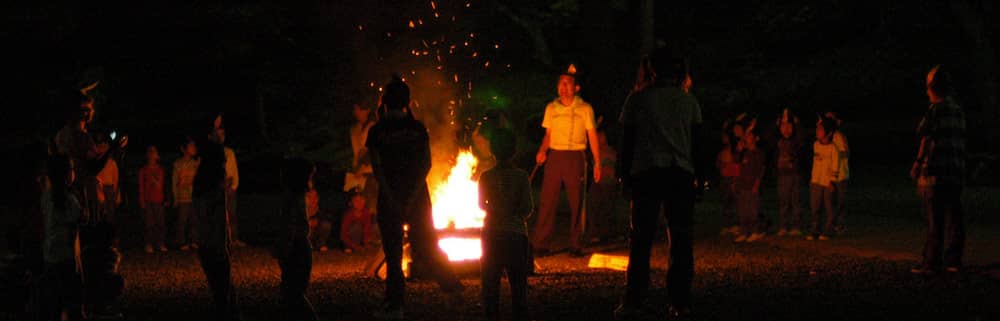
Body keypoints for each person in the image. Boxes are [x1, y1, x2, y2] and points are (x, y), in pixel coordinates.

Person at [367, 76, 464, 320]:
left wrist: (392, 198)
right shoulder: (417, 129)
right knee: (427, 246)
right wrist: (412, 197)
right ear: (407, 102)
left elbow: (378, 169)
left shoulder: (377, 131)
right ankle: (452, 288)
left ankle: (395, 305)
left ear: (384, 101)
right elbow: (425, 165)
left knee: (393, 253)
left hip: (390, 198)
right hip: (418, 198)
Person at [615, 50, 702, 320]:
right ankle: (680, 302)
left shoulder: (638, 100)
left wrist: (624, 176)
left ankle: (634, 300)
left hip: (647, 173)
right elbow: (697, 142)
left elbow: (627, 142)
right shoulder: (687, 101)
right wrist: (700, 176)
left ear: (651, 71)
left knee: (641, 240)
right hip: (680, 173)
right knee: (681, 239)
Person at [53, 91, 125, 320]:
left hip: (68, 194)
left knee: (74, 250)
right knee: (92, 250)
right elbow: (93, 167)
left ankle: (75, 302)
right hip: (84, 197)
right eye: (87, 108)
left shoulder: (61, 134)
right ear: (81, 112)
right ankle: (93, 301)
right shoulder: (81, 137)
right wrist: (112, 150)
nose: (91, 112)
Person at [533, 64, 602, 257]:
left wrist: (597, 162)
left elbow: (592, 135)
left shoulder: (585, 109)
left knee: (576, 201)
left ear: (576, 88)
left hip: (575, 156)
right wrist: (542, 151)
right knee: (547, 199)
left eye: (567, 83)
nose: (563, 87)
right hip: (555, 155)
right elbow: (548, 134)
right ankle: (541, 243)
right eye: (560, 83)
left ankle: (576, 243)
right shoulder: (551, 108)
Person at [910, 65, 966, 274]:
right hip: (955, 171)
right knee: (954, 216)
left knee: (934, 218)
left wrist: (918, 163)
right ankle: (953, 260)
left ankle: (931, 261)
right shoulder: (958, 109)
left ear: (933, 88)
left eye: (927, 86)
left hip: (936, 171)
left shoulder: (935, 110)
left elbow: (926, 137)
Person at [478, 128, 533, 321]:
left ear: (492, 151)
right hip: (515, 235)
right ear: (514, 151)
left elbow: (481, 204)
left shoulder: (485, 177)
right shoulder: (521, 177)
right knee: (518, 285)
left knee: (490, 285)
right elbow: (527, 208)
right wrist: (513, 212)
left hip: (492, 234)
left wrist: (496, 210)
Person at [193, 113, 242, 321]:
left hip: (208, 243)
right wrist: (222, 245)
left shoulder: (202, 185)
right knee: (222, 288)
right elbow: (217, 219)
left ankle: (228, 312)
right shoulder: (212, 188)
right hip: (214, 244)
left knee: (221, 288)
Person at [273, 157, 321, 321]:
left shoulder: (292, 198)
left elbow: (290, 226)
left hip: (296, 248)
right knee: (293, 292)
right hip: (300, 247)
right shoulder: (297, 197)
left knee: (292, 293)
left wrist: (283, 247)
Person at [39, 155, 83, 321]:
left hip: (50, 256)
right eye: (72, 169)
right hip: (67, 258)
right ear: (66, 174)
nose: (74, 172)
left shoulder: (46, 197)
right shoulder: (70, 200)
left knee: (54, 303)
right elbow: (76, 228)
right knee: (71, 303)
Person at [586, 119, 620, 244]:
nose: (600, 139)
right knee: (594, 208)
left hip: (608, 183)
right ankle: (595, 233)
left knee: (608, 209)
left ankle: (608, 233)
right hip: (597, 183)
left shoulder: (610, 151)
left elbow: (614, 166)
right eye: (598, 137)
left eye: (602, 137)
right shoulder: (595, 152)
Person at [807, 116, 840, 241]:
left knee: (829, 207)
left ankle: (829, 231)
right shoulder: (816, 145)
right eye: (817, 129)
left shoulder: (833, 148)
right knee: (815, 207)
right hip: (816, 181)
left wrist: (832, 180)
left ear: (829, 133)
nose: (817, 132)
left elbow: (835, 165)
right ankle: (815, 230)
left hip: (828, 183)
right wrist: (813, 178)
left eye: (820, 129)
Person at [734, 123, 765, 242]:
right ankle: (744, 232)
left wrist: (757, 184)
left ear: (756, 138)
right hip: (743, 186)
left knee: (753, 210)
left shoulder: (758, 153)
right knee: (743, 210)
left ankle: (755, 231)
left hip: (752, 186)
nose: (747, 138)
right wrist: (739, 150)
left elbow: (760, 170)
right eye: (747, 136)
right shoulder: (744, 153)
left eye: (750, 136)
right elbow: (736, 161)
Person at [775, 109, 803, 236]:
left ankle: (796, 226)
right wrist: (777, 123)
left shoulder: (796, 141)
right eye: (783, 126)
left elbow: (801, 138)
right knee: (783, 202)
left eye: (789, 126)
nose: (786, 129)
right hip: (782, 175)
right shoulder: (777, 141)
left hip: (794, 175)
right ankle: (783, 226)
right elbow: (770, 136)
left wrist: (797, 124)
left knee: (796, 201)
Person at [139, 146, 169, 253]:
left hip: (159, 200)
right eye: (150, 152)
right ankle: (149, 244)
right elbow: (141, 187)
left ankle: (160, 243)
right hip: (148, 201)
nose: (152, 154)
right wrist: (142, 201)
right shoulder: (143, 170)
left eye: (154, 152)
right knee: (149, 223)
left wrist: (166, 198)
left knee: (160, 223)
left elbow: (163, 185)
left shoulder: (160, 170)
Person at [173, 137, 200, 251]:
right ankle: (181, 241)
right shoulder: (178, 164)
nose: (193, 148)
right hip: (183, 197)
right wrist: (175, 197)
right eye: (191, 146)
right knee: (182, 220)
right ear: (184, 149)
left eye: (194, 146)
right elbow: (174, 181)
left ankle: (193, 240)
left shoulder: (196, 163)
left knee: (194, 220)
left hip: (193, 196)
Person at [825, 112, 850, 235]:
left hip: (841, 174)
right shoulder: (828, 137)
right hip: (831, 175)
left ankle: (840, 225)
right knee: (832, 202)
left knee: (840, 201)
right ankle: (834, 224)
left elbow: (845, 153)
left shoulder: (838, 136)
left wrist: (835, 155)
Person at [716, 119, 740, 236]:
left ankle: (735, 224)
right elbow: (718, 164)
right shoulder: (722, 151)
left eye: (726, 136)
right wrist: (722, 165)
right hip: (725, 178)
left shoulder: (735, 147)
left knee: (735, 202)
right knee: (726, 202)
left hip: (733, 177)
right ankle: (726, 225)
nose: (723, 138)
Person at [224, 143, 245, 247]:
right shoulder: (210, 152)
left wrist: (234, 185)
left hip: (230, 186)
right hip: (219, 186)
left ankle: (234, 238)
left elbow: (234, 169)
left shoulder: (229, 152)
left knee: (232, 213)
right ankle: (225, 238)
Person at [306, 182, 333, 252]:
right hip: (305, 235)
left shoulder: (321, 210)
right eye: (309, 197)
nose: (312, 200)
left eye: (315, 197)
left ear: (318, 198)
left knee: (326, 225)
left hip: (315, 235)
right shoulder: (301, 210)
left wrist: (317, 221)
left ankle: (320, 245)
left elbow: (326, 219)